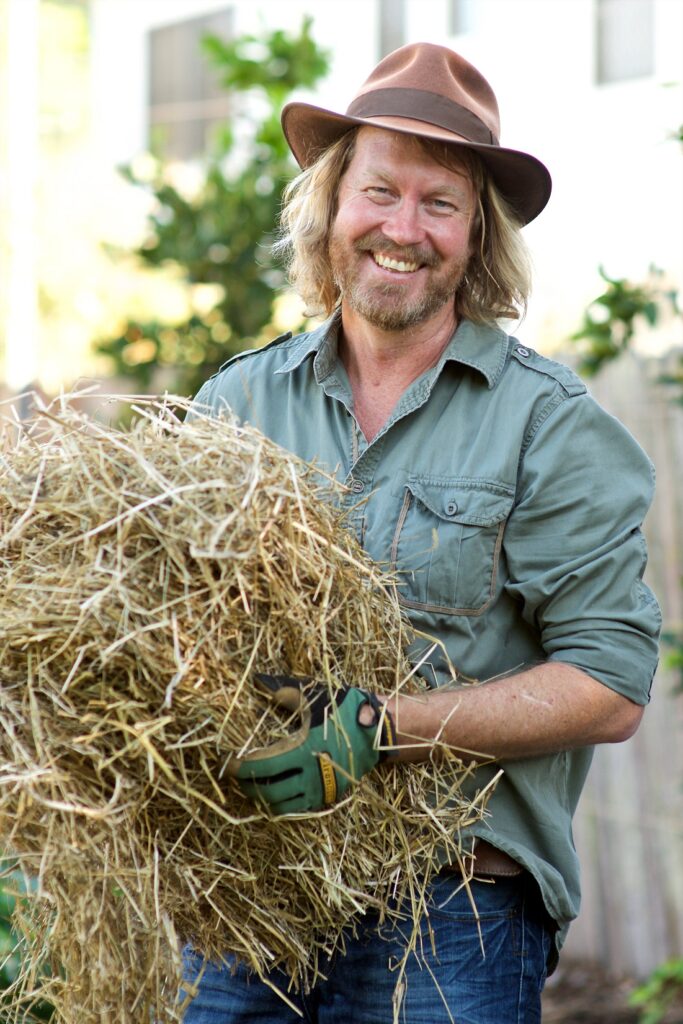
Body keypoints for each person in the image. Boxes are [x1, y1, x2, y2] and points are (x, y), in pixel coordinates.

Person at [185, 41, 661, 1024]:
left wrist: (381, 726)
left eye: (439, 203)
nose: (403, 229)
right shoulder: (236, 402)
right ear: (330, 208)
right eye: (379, 192)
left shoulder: (546, 423)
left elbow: (610, 682)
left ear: (475, 238)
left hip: (452, 905)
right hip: (252, 898)